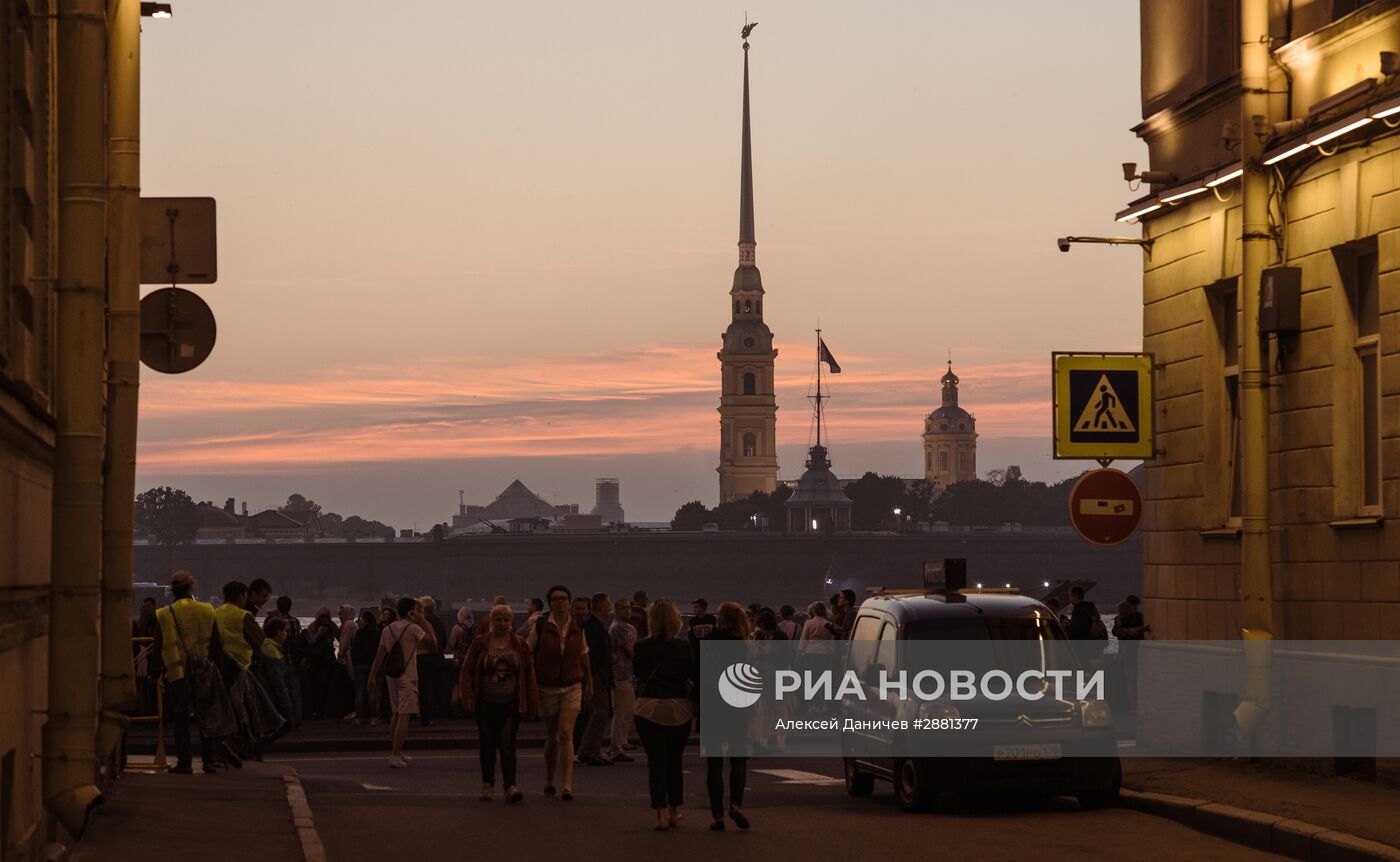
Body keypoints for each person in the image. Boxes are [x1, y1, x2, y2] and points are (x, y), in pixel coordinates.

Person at [460, 604, 538, 803]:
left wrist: (532, 703)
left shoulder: (520, 644)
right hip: (485, 704)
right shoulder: (480, 643)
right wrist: (467, 697)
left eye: (506, 620)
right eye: (498, 619)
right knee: (487, 745)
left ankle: (510, 786)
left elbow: (529, 676)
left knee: (507, 745)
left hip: (511, 704)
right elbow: (467, 671)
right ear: (491, 621)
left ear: (511, 623)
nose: (502, 623)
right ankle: (488, 784)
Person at [153, 570, 225, 774]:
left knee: (180, 719)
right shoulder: (207, 610)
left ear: (172, 591)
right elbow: (216, 646)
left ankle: (184, 763)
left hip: (177, 674)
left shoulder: (164, 615)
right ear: (192, 588)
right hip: (204, 673)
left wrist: (154, 672)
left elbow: (158, 647)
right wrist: (217, 671)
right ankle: (209, 762)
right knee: (206, 718)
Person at [632, 599, 693, 831]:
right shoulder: (683, 646)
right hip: (677, 707)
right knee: (674, 761)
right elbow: (689, 672)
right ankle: (676, 808)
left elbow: (638, 673)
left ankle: (661, 812)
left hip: (649, 707)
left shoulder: (641, 646)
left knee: (656, 762)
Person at [526, 585, 591, 800]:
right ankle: (549, 778)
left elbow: (584, 655)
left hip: (572, 685)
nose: (560, 602)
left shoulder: (577, 625)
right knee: (552, 736)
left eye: (563, 599)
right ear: (550, 602)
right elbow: (529, 651)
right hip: (548, 686)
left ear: (569, 602)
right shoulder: (542, 624)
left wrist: (589, 683)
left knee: (565, 733)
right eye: (556, 599)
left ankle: (566, 785)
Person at [368, 596, 437, 767]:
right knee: (405, 715)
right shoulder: (413, 628)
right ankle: (395, 754)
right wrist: (422, 621)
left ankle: (396, 750)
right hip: (407, 676)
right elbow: (433, 645)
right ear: (411, 611)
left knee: (396, 714)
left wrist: (372, 676)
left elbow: (380, 655)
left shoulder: (387, 630)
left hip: (392, 675)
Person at [704, 602, 752, 831]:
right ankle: (736, 805)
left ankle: (717, 816)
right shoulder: (743, 645)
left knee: (714, 764)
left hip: (713, 704)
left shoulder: (709, 641)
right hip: (736, 704)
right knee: (738, 760)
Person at [577, 592, 616, 766]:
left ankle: (592, 750)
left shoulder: (595, 624)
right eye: (608, 603)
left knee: (598, 713)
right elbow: (590, 653)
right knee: (599, 713)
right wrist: (596, 675)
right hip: (597, 676)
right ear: (600, 605)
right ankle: (588, 750)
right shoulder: (592, 625)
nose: (610, 605)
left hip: (599, 675)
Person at [254, 617, 294, 759]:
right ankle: (255, 749)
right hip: (269, 695)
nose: (286, 634)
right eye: (285, 631)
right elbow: (277, 680)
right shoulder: (272, 651)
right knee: (286, 724)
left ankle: (256, 750)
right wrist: (286, 703)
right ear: (278, 632)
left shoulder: (267, 646)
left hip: (265, 694)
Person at [606, 598, 637, 761]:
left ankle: (622, 741)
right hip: (620, 674)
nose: (628, 611)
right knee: (621, 711)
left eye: (629, 608)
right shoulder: (618, 628)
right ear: (616, 610)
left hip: (628, 673)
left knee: (629, 709)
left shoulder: (628, 627)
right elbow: (630, 650)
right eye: (624, 608)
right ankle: (615, 746)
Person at [417, 596, 448, 725]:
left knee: (423, 688)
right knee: (435, 687)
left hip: (423, 658)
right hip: (437, 658)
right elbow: (444, 640)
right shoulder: (440, 621)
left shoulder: (421, 623)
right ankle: (435, 712)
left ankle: (424, 714)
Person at [350, 609, 381, 725]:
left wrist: (354, 663)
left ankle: (359, 717)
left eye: (362, 619)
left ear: (366, 621)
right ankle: (374, 717)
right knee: (372, 691)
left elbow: (355, 648)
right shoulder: (378, 633)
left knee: (359, 692)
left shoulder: (359, 633)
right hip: (373, 665)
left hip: (360, 665)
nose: (360, 621)